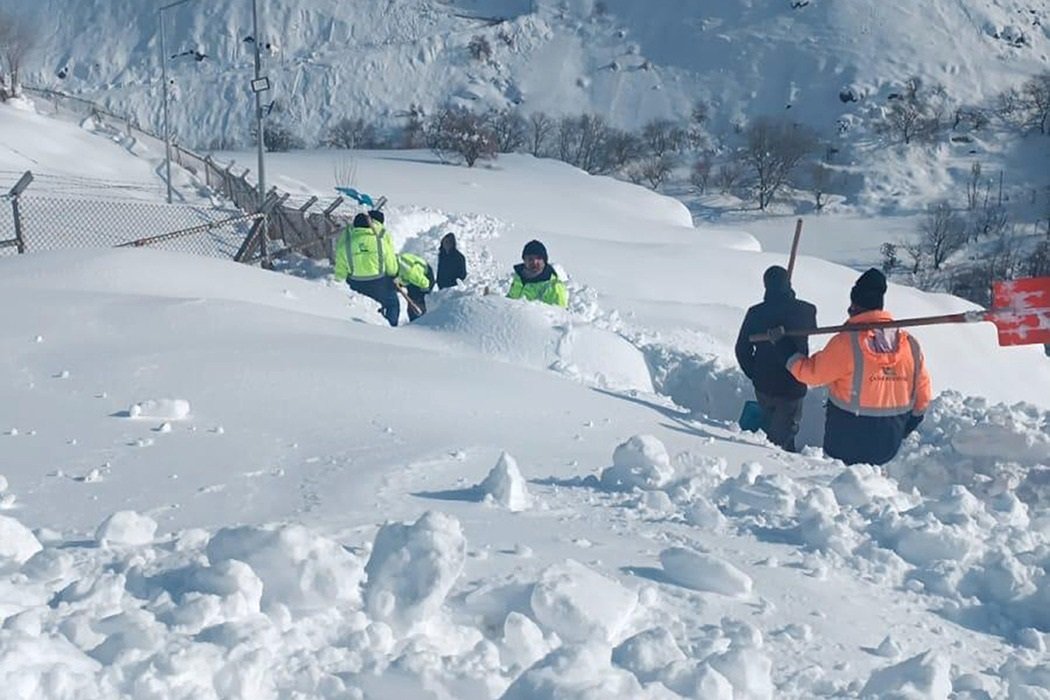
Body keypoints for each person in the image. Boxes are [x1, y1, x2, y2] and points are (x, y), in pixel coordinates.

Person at [782, 268, 932, 466]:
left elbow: (811, 374)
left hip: (847, 442)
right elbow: (923, 397)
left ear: (855, 306)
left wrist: (785, 350)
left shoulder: (847, 343)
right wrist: (908, 425)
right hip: (889, 442)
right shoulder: (910, 345)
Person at [734, 266, 817, 452]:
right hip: (792, 385)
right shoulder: (806, 310)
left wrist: (755, 373)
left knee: (774, 430)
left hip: (764, 385)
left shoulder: (756, 313)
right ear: (789, 283)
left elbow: (742, 349)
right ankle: (778, 468)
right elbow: (811, 324)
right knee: (782, 440)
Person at [333, 210, 400, 326]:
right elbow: (390, 262)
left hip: (355, 282)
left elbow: (340, 267)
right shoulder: (380, 241)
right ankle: (390, 327)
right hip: (379, 281)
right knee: (392, 304)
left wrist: (339, 280)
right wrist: (393, 275)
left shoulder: (346, 244)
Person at [507, 240, 568, 308]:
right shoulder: (518, 279)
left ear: (544, 260)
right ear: (524, 260)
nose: (534, 262)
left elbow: (558, 315)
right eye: (530, 258)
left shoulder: (553, 287)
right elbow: (508, 303)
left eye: (539, 258)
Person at [396, 252, 434, 321]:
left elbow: (425, 284)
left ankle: (424, 321)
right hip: (412, 278)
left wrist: (423, 299)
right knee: (412, 303)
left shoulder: (411, 273)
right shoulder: (393, 265)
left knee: (417, 302)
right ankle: (413, 320)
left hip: (425, 277)